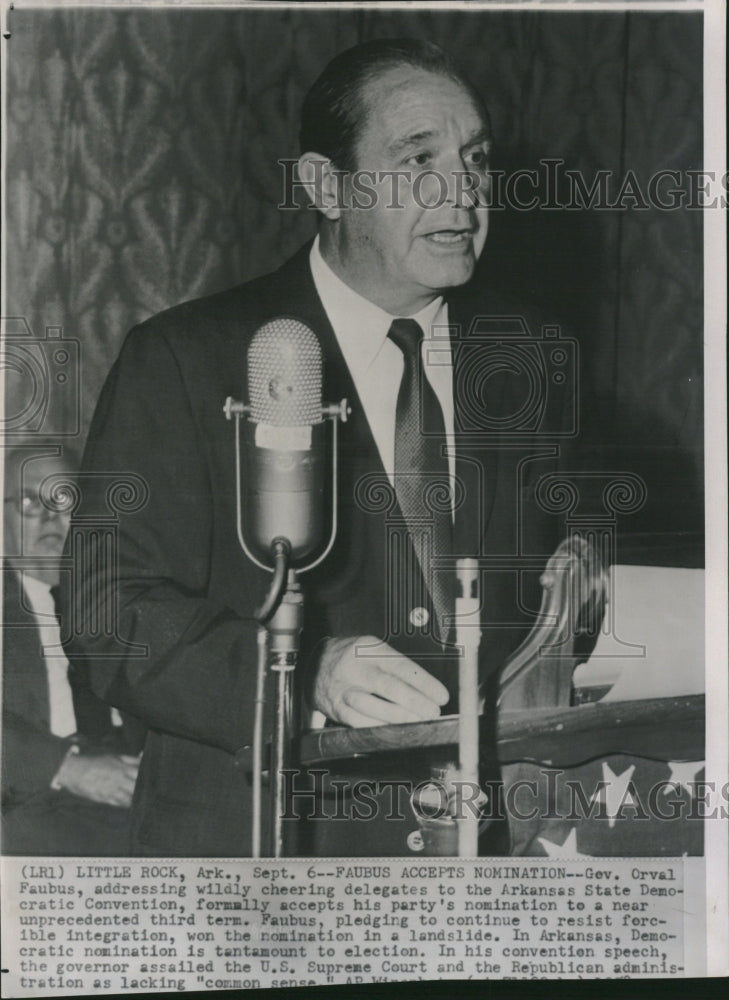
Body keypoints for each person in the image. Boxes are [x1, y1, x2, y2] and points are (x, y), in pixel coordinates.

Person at [60, 38, 564, 856]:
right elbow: (104, 610)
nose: (463, 192)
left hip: (483, 858)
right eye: (417, 158)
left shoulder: (524, 363)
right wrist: (301, 674)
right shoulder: (192, 357)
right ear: (325, 186)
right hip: (269, 853)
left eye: (474, 159)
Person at [2, 446, 142, 855]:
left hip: (135, 794)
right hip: (35, 802)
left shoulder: (125, 598)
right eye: (29, 501)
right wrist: (68, 767)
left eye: (64, 500)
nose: (49, 517)